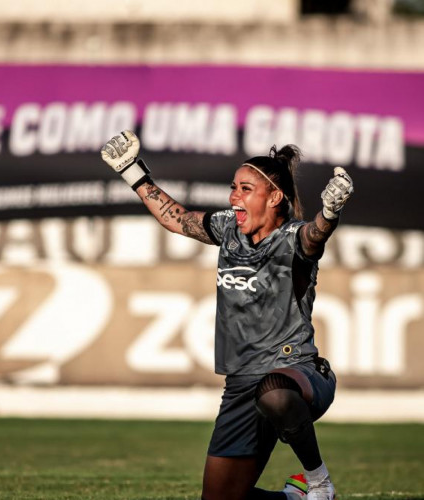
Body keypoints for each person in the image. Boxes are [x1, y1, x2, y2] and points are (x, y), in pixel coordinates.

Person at [101, 130, 354, 500]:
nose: (234, 196)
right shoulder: (228, 230)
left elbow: (316, 235)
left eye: (246, 189)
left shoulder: (293, 238)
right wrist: (131, 171)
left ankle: (319, 482)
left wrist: (330, 213)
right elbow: (177, 219)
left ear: (275, 198)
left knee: (274, 393)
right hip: (241, 385)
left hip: (297, 374)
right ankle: (296, 498)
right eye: (234, 187)